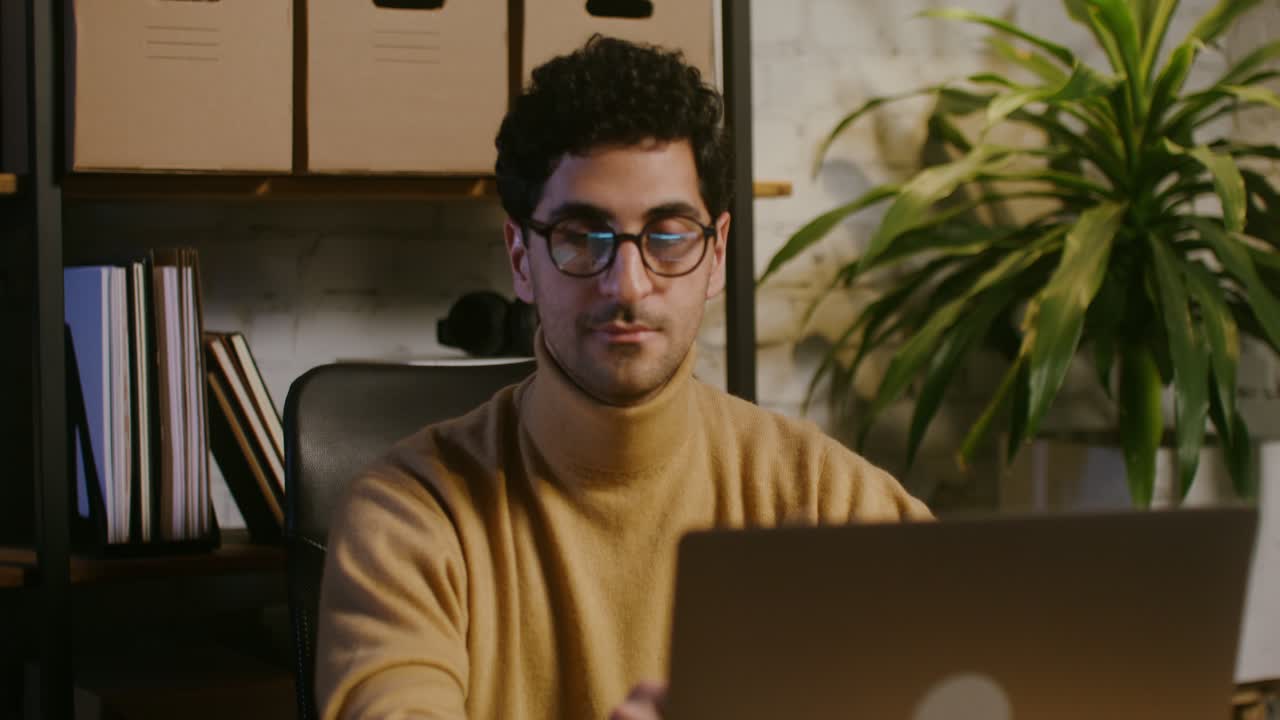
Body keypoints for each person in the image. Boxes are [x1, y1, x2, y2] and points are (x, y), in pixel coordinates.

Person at [315, 35, 932, 720]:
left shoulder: (823, 498)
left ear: (717, 254)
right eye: (583, 237)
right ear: (521, 257)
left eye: (667, 236)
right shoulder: (411, 514)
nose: (628, 285)